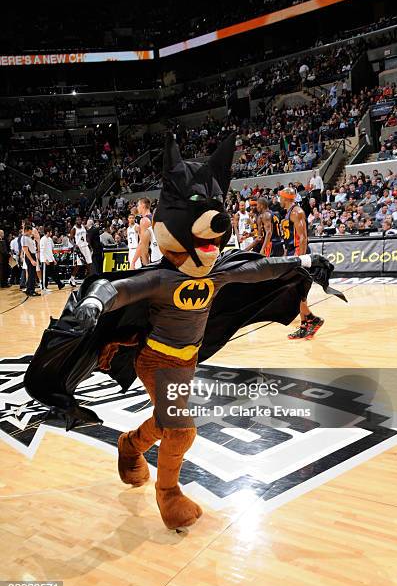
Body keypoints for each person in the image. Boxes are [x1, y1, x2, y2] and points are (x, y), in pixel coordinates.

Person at [25, 134, 343, 531]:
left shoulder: (219, 271)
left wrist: (305, 260)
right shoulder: (161, 278)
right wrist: (93, 303)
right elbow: (119, 288)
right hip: (157, 359)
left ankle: (129, 445)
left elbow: (261, 268)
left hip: (187, 360)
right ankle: (169, 494)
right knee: (182, 430)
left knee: (165, 422)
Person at [279, 187, 324, 339]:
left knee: (296, 292)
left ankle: (311, 320)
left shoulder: (297, 212)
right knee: (296, 292)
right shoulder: (288, 211)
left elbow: (303, 237)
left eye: (280, 197)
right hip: (292, 252)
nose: (278, 199)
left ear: (285, 198)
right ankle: (307, 323)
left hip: (299, 253)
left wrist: (301, 258)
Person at [69, 216, 93, 287]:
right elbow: (70, 239)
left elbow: (87, 236)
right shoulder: (74, 229)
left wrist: (89, 244)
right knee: (78, 265)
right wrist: (74, 245)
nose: (79, 220)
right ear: (75, 221)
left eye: (80, 219)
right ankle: (72, 279)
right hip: (79, 248)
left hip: (85, 246)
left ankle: (88, 279)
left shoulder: (84, 227)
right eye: (78, 220)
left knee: (89, 263)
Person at [39, 227, 64, 293]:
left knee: (53, 273)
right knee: (45, 275)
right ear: (47, 232)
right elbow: (42, 250)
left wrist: (53, 259)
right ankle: (44, 287)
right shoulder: (43, 239)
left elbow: (51, 250)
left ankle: (60, 284)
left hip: (50, 259)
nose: (51, 233)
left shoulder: (50, 239)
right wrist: (45, 259)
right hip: (45, 260)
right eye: (50, 232)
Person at [21, 224, 39, 297]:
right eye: (31, 230)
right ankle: (31, 291)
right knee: (31, 274)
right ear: (27, 230)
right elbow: (26, 250)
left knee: (32, 273)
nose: (32, 232)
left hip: (32, 255)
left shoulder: (28, 237)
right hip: (30, 256)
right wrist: (31, 260)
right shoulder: (24, 238)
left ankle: (29, 290)